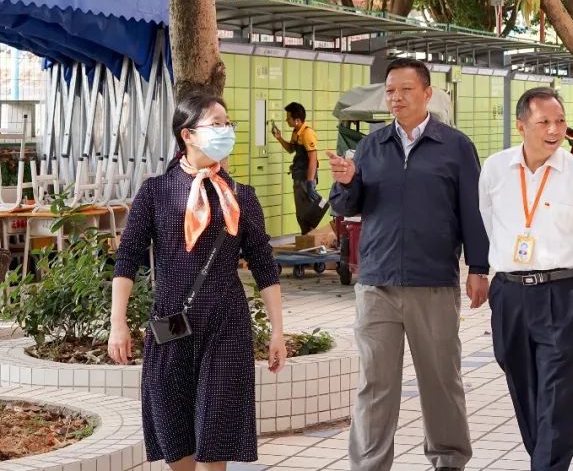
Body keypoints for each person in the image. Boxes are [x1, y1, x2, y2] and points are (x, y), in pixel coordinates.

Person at [326, 57, 490, 471]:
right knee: (375, 384)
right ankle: (369, 465)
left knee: (441, 379)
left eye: (405, 90)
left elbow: (473, 210)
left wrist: (479, 267)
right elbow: (347, 206)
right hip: (377, 283)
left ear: (427, 93)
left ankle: (449, 459)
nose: (396, 98)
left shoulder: (455, 146)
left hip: (432, 282)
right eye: (390, 91)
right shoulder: (371, 146)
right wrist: (345, 182)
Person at [107, 92, 286, 471]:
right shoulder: (155, 191)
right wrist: (117, 323)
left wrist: (277, 332)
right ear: (187, 134)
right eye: (216, 124)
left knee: (215, 438)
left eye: (228, 123)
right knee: (176, 442)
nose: (226, 130)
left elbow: (264, 265)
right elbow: (128, 258)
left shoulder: (241, 196)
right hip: (172, 323)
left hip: (226, 325)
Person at [478, 87, 573, 471]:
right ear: (521, 126)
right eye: (544, 122)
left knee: (558, 389)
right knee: (520, 380)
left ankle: (547, 465)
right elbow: (489, 223)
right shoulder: (495, 169)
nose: (554, 130)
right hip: (508, 292)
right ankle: (544, 458)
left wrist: (551, 264)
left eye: (560, 121)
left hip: (560, 291)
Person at [273, 102, 328, 234]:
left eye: (289, 118)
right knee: (301, 213)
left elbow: (313, 160)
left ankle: (311, 239)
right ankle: (307, 239)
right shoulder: (296, 132)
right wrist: (279, 138)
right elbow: (291, 149)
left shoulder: (307, 133)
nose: (286, 120)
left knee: (307, 214)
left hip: (305, 178)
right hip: (299, 177)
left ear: (297, 120)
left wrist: (309, 182)